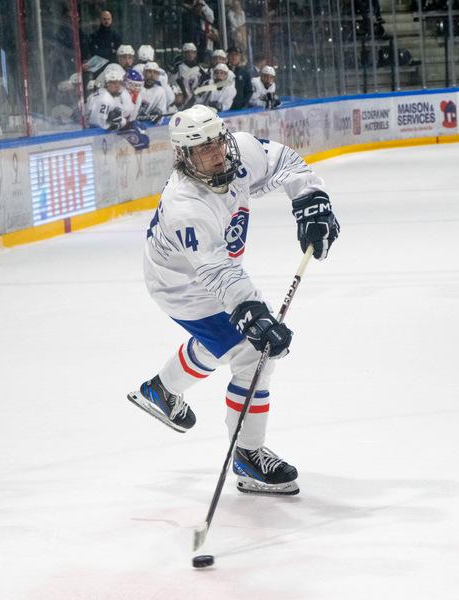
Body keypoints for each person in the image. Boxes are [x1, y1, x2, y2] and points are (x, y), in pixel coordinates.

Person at [126, 105, 340, 495]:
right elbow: (217, 274)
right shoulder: (185, 205)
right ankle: (248, 454)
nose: (216, 154)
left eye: (216, 142)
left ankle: (161, 390)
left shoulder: (237, 150)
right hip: (183, 283)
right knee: (251, 351)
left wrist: (310, 201)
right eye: (202, 149)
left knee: (226, 341)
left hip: (213, 271)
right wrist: (250, 312)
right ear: (183, 156)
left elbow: (286, 162)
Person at [86, 64, 137, 130]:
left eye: (119, 82)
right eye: (114, 82)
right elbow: (97, 126)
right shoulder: (105, 99)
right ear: (107, 84)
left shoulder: (104, 93)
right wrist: (115, 126)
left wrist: (123, 122)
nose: (117, 86)